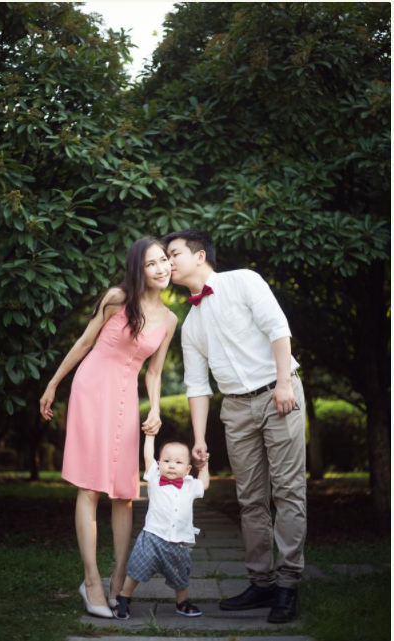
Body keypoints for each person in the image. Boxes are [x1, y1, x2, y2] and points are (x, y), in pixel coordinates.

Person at [163, 229, 306, 624]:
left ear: (200, 255)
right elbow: (197, 385)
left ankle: (288, 585)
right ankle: (262, 583)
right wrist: (198, 439)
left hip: (278, 393)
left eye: (174, 253)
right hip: (236, 408)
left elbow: (278, 328)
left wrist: (283, 383)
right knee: (250, 499)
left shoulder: (244, 280)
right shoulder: (191, 324)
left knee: (288, 491)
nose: (168, 262)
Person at [39, 237, 177, 618]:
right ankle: (91, 581)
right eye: (151, 263)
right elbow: (85, 342)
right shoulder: (117, 299)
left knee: (124, 492)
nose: (161, 268)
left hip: (126, 401)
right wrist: (53, 384)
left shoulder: (170, 320)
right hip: (92, 390)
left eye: (164, 260)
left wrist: (155, 409)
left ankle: (118, 579)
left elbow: (154, 372)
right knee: (90, 487)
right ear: (139, 269)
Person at [112, 436, 210, 620]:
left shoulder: (190, 485)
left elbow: (204, 484)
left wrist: (203, 467)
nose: (172, 465)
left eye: (178, 462)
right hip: (152, 538)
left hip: (179, 542)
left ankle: (182, 602)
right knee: (137, 569)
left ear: (188, 469)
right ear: (158, 464)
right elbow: (148, 456)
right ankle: (123, 598)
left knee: (180, 575)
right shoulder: (155, 477)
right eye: (166, 461)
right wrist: (150, 436)